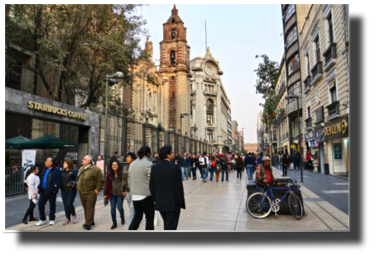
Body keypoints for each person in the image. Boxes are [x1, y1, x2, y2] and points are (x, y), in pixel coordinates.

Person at [149, 145, 186, 230]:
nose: (173, 154)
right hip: (173, 204)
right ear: (167, 155)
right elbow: (178, 187)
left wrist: (157, 199)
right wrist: (180, 202)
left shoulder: (154, 167)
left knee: (167, 225)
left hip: (161, 203)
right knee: (171, 227)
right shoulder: (174, 167)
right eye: (172, 153)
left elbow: (151, 186)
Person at [128, 146, 154, 230]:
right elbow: (151, 181)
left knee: (137, 216)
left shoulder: (132, 164)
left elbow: (129, 180)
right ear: (148, 154)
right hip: (146, 195)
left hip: (135, 195)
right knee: (149, 218)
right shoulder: (148, 164)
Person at [76, 155, 105, 230]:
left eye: (84, 159)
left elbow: (100, 180)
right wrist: (78, 186)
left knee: (89, 208)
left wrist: (97, 189)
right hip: (81, 192)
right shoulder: (81, 168)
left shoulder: (96, 169)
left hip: (91, 192)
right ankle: (91, 221)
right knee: (86, 208)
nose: (82, 160)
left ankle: (87, 224)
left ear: (89, 161)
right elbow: (78, 178)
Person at [35, 157, 61, 226]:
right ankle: (42, 218)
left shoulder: (56, 170)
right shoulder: (44, 169)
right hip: (43, 190)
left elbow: (58, 181)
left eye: (47, 161)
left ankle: (52, 219)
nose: (45, 162)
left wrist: (55, 189)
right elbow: (41, 179)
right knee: (40, 204)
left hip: (51, 191)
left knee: (52, 205)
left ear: (51, 163)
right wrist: (38, 187)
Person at [104, 161, 125, 229]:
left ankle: (122, 216)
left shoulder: (122, 173)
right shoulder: (110, 173)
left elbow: (125, 182)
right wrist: (105, 193)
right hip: (112, 194)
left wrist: (124, 191)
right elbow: (107, 184)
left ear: (118, 165)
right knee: (112, 209)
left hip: (119, 193)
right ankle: (114, 222)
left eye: (115, 164)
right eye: (113, 165)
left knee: (120, 208)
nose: (114, 166)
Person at [60, 159, 78, 225]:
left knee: (68, 204)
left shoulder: (74, 171)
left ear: (69, 164)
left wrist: (73, 183)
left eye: (65, 163)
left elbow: (78, 180)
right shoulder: (62, 171)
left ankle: (74, 215)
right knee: (65, 205)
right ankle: (67, 218)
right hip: (63, 190)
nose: (63, 165)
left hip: (71, 190)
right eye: (63, 163)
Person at [121, 152, 137, 226]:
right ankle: (136, 219)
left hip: (134, 191)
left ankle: (131, 225)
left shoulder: (137, 167)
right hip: (127, 190)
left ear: (133, 159)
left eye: (128, 157)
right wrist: (122, 190)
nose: (126, 158)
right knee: (130, 207)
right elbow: (123, 180)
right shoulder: (125, 167)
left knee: (131, 208)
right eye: (126, 157)